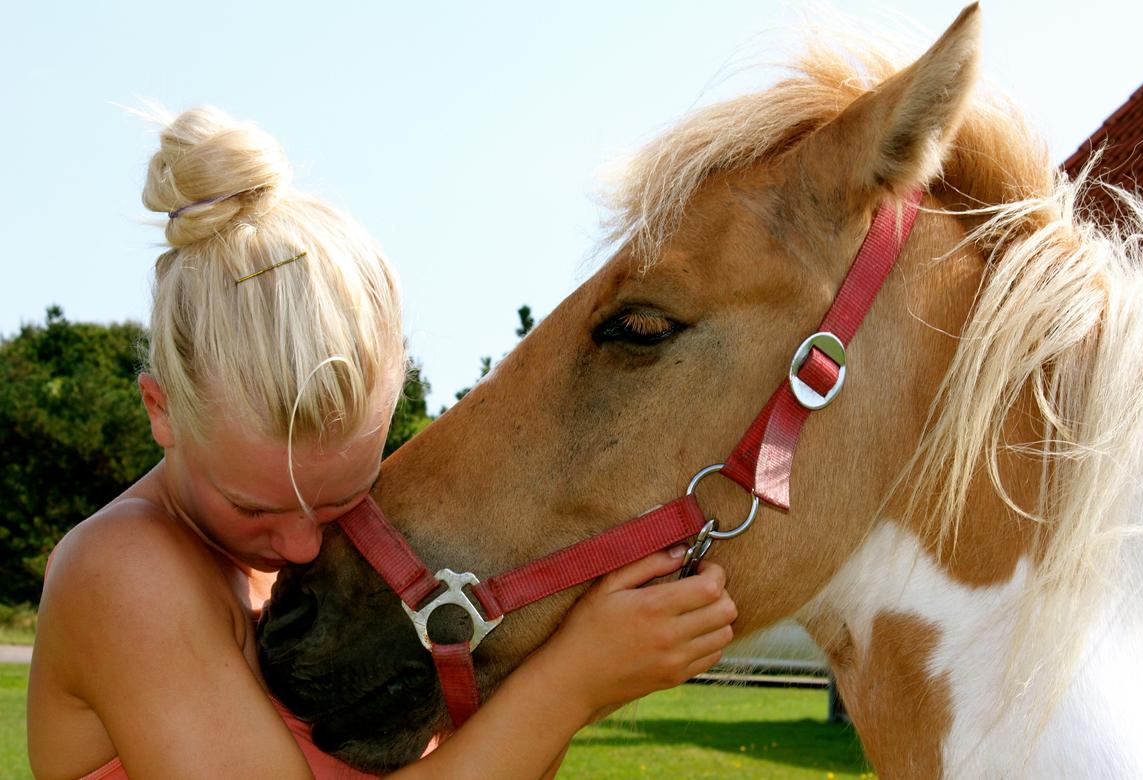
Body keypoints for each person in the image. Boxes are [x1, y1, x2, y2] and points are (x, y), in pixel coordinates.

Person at [26, 107, 737, 780]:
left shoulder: (330, 570)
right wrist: (572, 683)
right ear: (161, 412)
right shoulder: (125, 573)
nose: (303, 546)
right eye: (254, 508)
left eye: (343, 495)